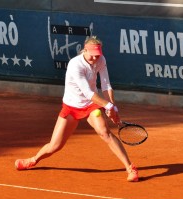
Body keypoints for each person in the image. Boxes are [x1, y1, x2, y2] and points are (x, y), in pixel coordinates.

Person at [15, 36, 139, 182]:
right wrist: (108, 105)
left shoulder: (101, 59)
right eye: (92, 55)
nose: (95, 58)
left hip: (91, 105)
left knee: (105, 132)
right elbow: (88, 92)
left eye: (97, 55)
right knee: (55, 146)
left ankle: (130, 168)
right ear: (84, 50)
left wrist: (113, 106)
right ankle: (33, 160)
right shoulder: (75, 65)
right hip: (71, 106)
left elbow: (106, 86)